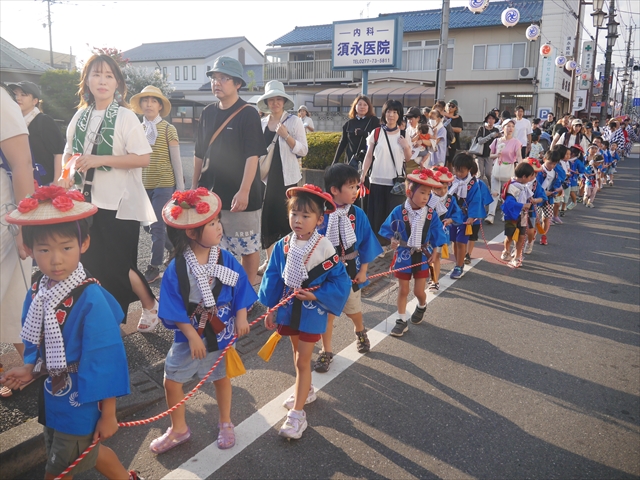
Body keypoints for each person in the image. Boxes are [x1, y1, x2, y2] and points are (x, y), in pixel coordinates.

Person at [1, 187, 139, 480]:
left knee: (58, 469)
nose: (55, 260)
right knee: (87, 452)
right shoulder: (39, 290)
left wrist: (109, 413)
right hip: (52, 393)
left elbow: (105, 358)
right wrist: (30, 367)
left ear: (83, 243)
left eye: (66, 248)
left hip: (82, 398)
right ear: (29, 249)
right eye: (44, 250)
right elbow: (33, 339)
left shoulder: (91, 298)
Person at [59, 54, 158, 330]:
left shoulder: (125, 116)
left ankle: (150, 305)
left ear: (117, 83)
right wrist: (64, 177)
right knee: (90, 263)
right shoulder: (80, 116)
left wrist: (100, 160)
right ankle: (104, 321)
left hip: (120, 204)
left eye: (108, 75)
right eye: (96, 74)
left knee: (119, 265)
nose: (102, 81)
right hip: (84, 202)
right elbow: (69, 153)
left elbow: (142, 158)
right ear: (86, 81)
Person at [153, 189, 255, 453]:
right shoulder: (176, 268)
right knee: (172, 380)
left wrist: (241, 315)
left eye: (218, 221)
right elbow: (172, 306)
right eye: (212, 224)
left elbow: (241, 286)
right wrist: (191, 336)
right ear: (191, 232)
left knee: (221, 377)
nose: (219, 227)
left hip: (221, 329)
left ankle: (225, 422)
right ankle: (178, 429)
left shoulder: (225, 258)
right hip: (191, 333)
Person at [259, 185, 351, 439]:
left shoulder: (325, 248)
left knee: (302, 359)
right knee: (296, 352)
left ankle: (298, 414)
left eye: (306, 216)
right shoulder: (283, 245)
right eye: (294, 214)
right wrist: (270, 308)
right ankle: (306, 389)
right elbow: (273, 276)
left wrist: (316, 295)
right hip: (289, 307)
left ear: (320, 220)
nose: (298, 220)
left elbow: (341, 281)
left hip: (312, 310)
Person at [193, 56, 267, 285]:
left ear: (237, 84)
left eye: (224, 78)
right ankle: (220, 293)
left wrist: (244, 191)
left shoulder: (248, 113)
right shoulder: (207, 112)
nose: (217, 82)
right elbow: (199, 153)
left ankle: (246, 294)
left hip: (240, 194)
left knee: (247, 246)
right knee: (213, 247)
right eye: (214, 78)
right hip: (211, 194)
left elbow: (252, 155)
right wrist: (194, 189)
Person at [314, 164, 382, 372]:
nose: (355, 191)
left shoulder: (358, 214)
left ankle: (360, 330)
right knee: (327, 314)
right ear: (334, 190)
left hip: (351, 271)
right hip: (326, 274)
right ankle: (326, 351)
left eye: (356, 187)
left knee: (353, 310)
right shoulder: (321, 214)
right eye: (351, 187)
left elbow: (367, 242)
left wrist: (363, 271)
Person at [379, 168, 448, 337]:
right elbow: (388, 229)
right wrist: (393, 240)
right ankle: (401, 321)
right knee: (403, 290)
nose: (426, 197)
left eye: (428, 193)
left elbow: (438, 235)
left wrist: (435, 252)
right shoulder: (398, 211)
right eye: (422, 193)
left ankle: (422, 305)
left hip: (423, 255)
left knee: (418, 291)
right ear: (409, 192)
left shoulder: (430, 214)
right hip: (403, 254)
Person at [130, 85, 183, 289]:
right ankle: (175, 248)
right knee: (147, 225)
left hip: (164, 183)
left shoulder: (169, 129)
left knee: (157, 225)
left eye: (154, 101)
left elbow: (176, 161)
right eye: (145, 100)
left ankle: (154, 266)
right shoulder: (137, 129)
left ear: (160, 106)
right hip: (144, 184)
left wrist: (180, 189)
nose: (149, 104)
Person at [0, 86, 35, 398]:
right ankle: (35, 365)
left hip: (4, 212)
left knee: (15, 297)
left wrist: (24, 222)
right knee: (13, 298)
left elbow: (22, 163)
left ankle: (37, 365)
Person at [257, 81, 307, 275]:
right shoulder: (262, 123)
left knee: (287, 220)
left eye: (279, 99)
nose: (275, 103)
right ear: (266, 102)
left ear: (284, 101)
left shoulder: (293, 121)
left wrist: (286, 136)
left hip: (287, 179)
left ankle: (289, 261)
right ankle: (270, 261)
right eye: (271, 99)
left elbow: (303, 150)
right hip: (265, 178)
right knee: (267, 220)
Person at [360, 100, 412, 244]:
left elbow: (408, 158)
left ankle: (391, 244)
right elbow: (369, 156)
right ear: (384, 113)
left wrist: (406, 146)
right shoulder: (376, 133)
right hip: (376, 179)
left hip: (396, 183)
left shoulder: (404, 134)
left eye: (395, 112)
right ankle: (378, 245)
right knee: (376, 216)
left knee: (393, 216)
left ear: (399, 115)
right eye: (388, 111)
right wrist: (363, 174)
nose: (391, 115)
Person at [9, 81, 64, 185]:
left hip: (45, 184)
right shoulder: (13, 123)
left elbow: (58, 152)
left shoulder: (44, 121)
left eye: (23, 95)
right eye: (15, 94)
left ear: (35, 101)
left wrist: (56, 182)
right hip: (21, 182)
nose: (18, 98)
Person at [447, 152, 492, 279]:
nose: (458, 173)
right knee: (454, 241)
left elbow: (476, 201)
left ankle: (459, 266)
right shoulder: (451, 181)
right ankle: (458, 262)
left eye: (461, 171)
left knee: (461, 242)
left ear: (469, 170)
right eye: (455, 170)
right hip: (453, 216)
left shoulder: (473, 184)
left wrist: (472, 217)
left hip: (466, 217)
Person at [426, 166, 463, 291]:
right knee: (428, 257)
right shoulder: (427, 197)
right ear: (432, 187)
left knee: (435, 256)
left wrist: (451, 220)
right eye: (438, 188)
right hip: (426, 232)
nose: (442, 191)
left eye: (445, 188)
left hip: (440, 232)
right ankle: (431, 276)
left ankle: (434, 281)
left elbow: (457, 213)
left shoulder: (450, 199)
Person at [500, 162, 541, 268]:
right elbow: (509, 203)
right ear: (524, 176)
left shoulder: (524, 186)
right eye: (530, 176)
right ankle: (506, 251)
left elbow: (529, 196)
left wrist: (532, 200)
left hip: (523, 215)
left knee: (521, 237)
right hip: (511, 216)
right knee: (509, 236)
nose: (531, 178)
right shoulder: (512, 187)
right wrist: (522, 205)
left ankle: (517, 257)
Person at [486, 118, 522, 224]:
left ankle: (505, 213)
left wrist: (521, 167)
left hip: (509, 169)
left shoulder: (516, 142)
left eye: (512, 126)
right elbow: (490, 155)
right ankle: (491, 215)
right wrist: (496, 155)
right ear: (503, 127)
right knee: (494, 192)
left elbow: (519, 156)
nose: (511, 128)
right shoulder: (497, 141)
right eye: (508, 126)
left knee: (507, 193)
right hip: (497, 168)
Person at [333, 95, 380, 168]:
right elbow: (342, 143)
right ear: (355, 107)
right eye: (359, 104)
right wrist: (335, 161)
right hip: (351, 162)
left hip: (368, 161)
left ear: (369, 107)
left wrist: (365, 134)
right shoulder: (349, 123)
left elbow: (379, 139)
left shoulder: (374, 121)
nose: (362, 107)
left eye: (365, 105)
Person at [536, 146, 565, 246]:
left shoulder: (555, 173)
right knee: (535, 218)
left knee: (547, 218)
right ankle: (533, 233)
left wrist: (555, 192)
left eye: (554, 164)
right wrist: (543, 193)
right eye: (550, 163)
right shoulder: (538, 171)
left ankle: (544, 235)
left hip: (548, 198)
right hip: (536, 198)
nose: (552, 166)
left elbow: (557, 184)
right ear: (544, 159)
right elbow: (535, 185)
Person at [521, 157, 547, 256]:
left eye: (536, 173)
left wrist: (535, 200)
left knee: (530, 231)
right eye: (532, 173)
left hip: (530, 211)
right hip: (518, 209)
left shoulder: (536, 184)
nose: (534, 175)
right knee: (517, 231)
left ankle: (529, 242)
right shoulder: (517, 181)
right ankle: (515, 248)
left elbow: (542, 197)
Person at [474, 112, 500, 186]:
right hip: (480, 154)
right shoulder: (481, 129)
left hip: (490, 155)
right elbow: (480, 141)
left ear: (495, 120)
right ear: (486, 120)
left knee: (488, 173)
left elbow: (498, 142)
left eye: (493, 118)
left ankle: (492, 188)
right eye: (489, 118)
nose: (491, 120)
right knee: (480, 174)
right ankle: (479, 189)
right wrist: (490, 135)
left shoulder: (496, 130)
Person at [443, 100, 463, 168]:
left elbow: (459, 129)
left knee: (451, 161)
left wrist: (448, 127)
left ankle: (450, 174)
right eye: (449, 105)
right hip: (443, 141)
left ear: (456, 108)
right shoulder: (443, 116)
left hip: (453, 142)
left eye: (452, 106)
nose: (450, 107)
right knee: (442, 161)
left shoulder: (458, 118)